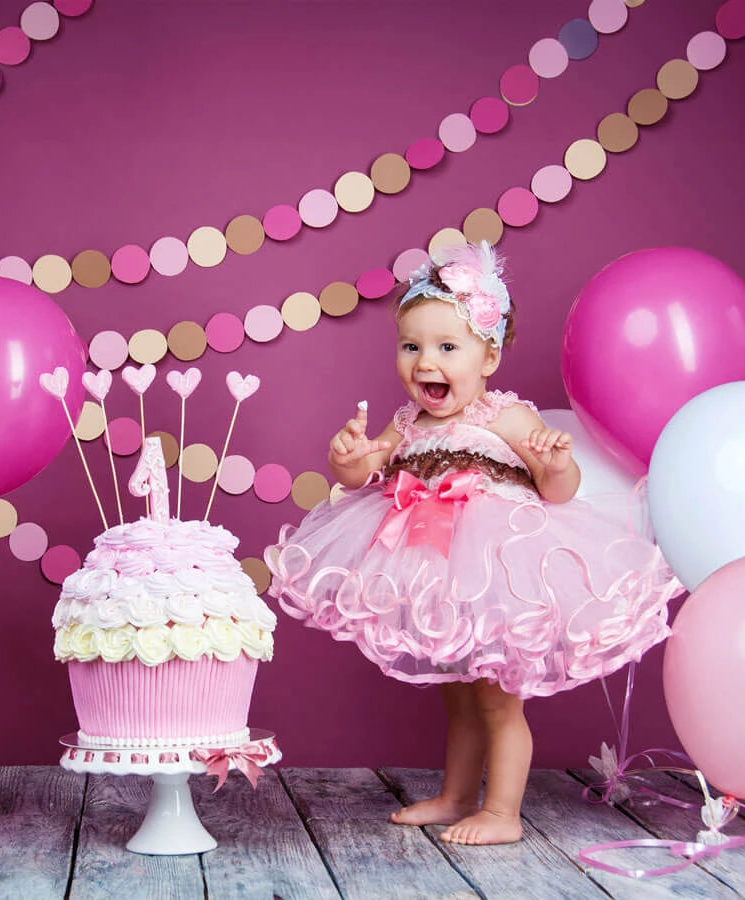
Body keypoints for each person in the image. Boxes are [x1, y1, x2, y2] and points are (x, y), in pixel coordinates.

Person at [265, 241, 680, 845]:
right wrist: (347, 458)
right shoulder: (406, 423)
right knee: (458, 697)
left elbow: (558, 493)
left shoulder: (505, 417)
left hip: (497, 574)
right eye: (412, 346)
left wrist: (555, 462)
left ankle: (503, 812)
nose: (425, 361)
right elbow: (365, 476)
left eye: (446, 347)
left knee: (497, 704)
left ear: (488, 358)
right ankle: (458, 794)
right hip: (434, 567)